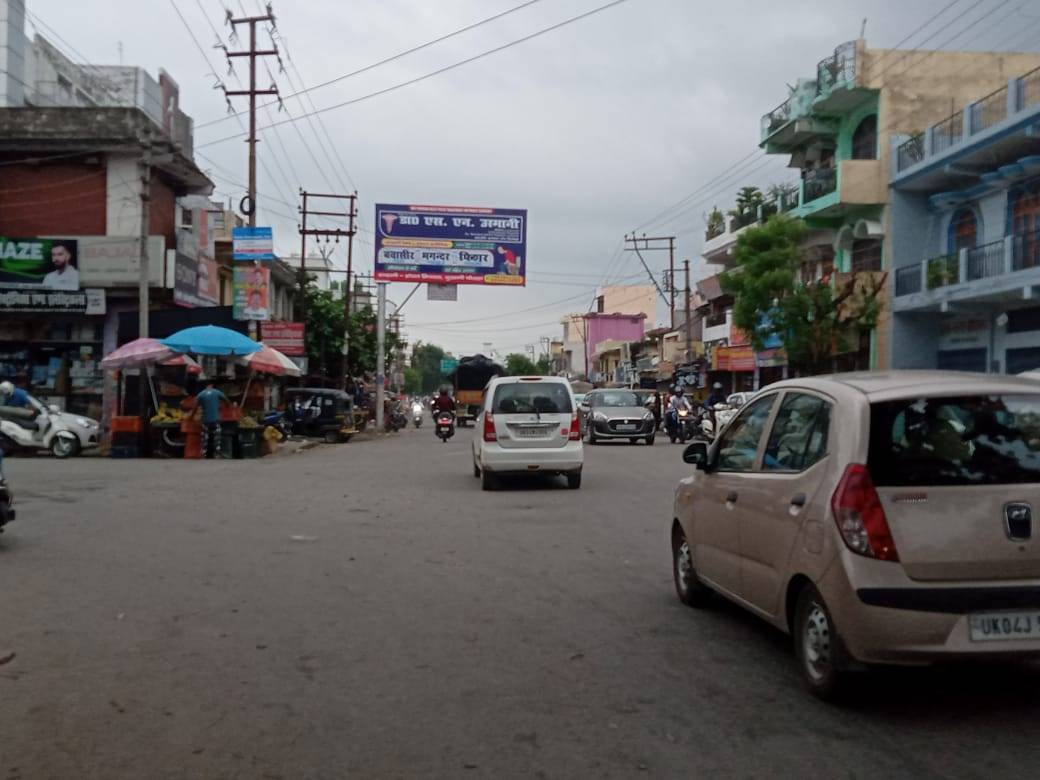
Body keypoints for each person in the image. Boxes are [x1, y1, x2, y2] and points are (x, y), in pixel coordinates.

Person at [191, 382, 233, 458]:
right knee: (217, 436)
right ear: (211, 385)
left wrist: (191, 417)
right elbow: (226, 400)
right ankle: (217, 453)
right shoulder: (216, 392)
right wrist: (227, 406)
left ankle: (204, 454)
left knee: (205, 437)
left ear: (205, 386)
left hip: (205, 420)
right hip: (215, 419)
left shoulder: (200, 394)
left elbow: (195, 408)